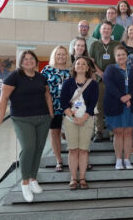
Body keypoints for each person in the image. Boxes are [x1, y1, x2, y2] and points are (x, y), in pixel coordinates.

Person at [0, 50, 53, 203]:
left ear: (36, 61)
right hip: (22, 119)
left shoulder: (41, 77)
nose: (28, 61)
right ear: (21, 62)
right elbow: (4, 96)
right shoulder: (15, 76)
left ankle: (33, 178)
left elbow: (47, 95)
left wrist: (51, 113)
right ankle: (24, 182)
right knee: (28, 148)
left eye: (31, 59)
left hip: (43, 118)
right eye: (25, 59)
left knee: (39, 148)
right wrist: (0, 116)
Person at [60, 56, 99, 190]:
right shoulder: (68, 83)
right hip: (70, 120)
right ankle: (73, 178)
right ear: (74, 67)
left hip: (87, 120)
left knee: (83, 150)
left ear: (88, 68)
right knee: (73, 149)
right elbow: (63, 102)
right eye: (78, 64)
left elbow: (93, 103)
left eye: (84, 64)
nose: (81, 66)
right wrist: (72, 116)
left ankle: (82, 178)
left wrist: (84, 118)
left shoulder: (93, 84)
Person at [103, 46, 133, 170]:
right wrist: (122, 97)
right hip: (116, 105)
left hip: (131, 105)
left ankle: (127, 159)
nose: (121, 57)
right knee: (118, 133)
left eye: (123, 54)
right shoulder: (110, 69)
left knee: (128, 133)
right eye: (118, 55)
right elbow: (109, 84)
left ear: (127, 56)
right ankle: (118, 160)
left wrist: (130, 96)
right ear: (115, 57)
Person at [89, 21, 121, 142]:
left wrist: (108, 75)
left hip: (113, 80)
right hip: (99, 80)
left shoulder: (116, 44)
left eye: (108, 29)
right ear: (100, 30)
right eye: (104, 29)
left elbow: (120, 60)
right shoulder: (94, 45)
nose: (106, 31)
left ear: (111, 31)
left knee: (112, 106)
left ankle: (112, 132)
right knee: (99, 107)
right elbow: (91, 61)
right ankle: (99, 131)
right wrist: (101, 73)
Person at [41, 46, 71, 173]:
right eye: (58, 54)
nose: (61, 56)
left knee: (72, 134)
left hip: (69, 107)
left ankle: (76, 159)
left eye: (63, 54)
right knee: (55, 133)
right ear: (54, 55)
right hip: (53, 107)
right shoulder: (47, 70)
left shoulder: (70, 71)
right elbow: (40, 89)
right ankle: (58, 160)